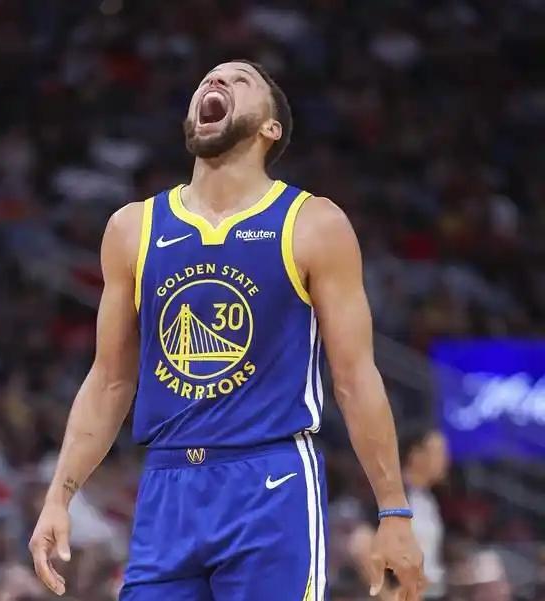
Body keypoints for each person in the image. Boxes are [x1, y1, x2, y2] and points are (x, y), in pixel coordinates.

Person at [28, 60, 424, 601]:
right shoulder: (133, 228)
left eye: (239, 80)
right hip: (167, 484)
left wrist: (394, 510)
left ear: (271, 127)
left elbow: (355, 377)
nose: (215, 82)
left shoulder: (313, 223)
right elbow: (109, 381)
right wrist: (59, 495)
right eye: (208, 79)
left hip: (270, 480)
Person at [350, 426, 448, 599]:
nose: (445, 460)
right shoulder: (393, 496)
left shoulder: (429, 498)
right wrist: (385, 595)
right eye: (438, 452)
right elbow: (360, 544)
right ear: (416, 455)